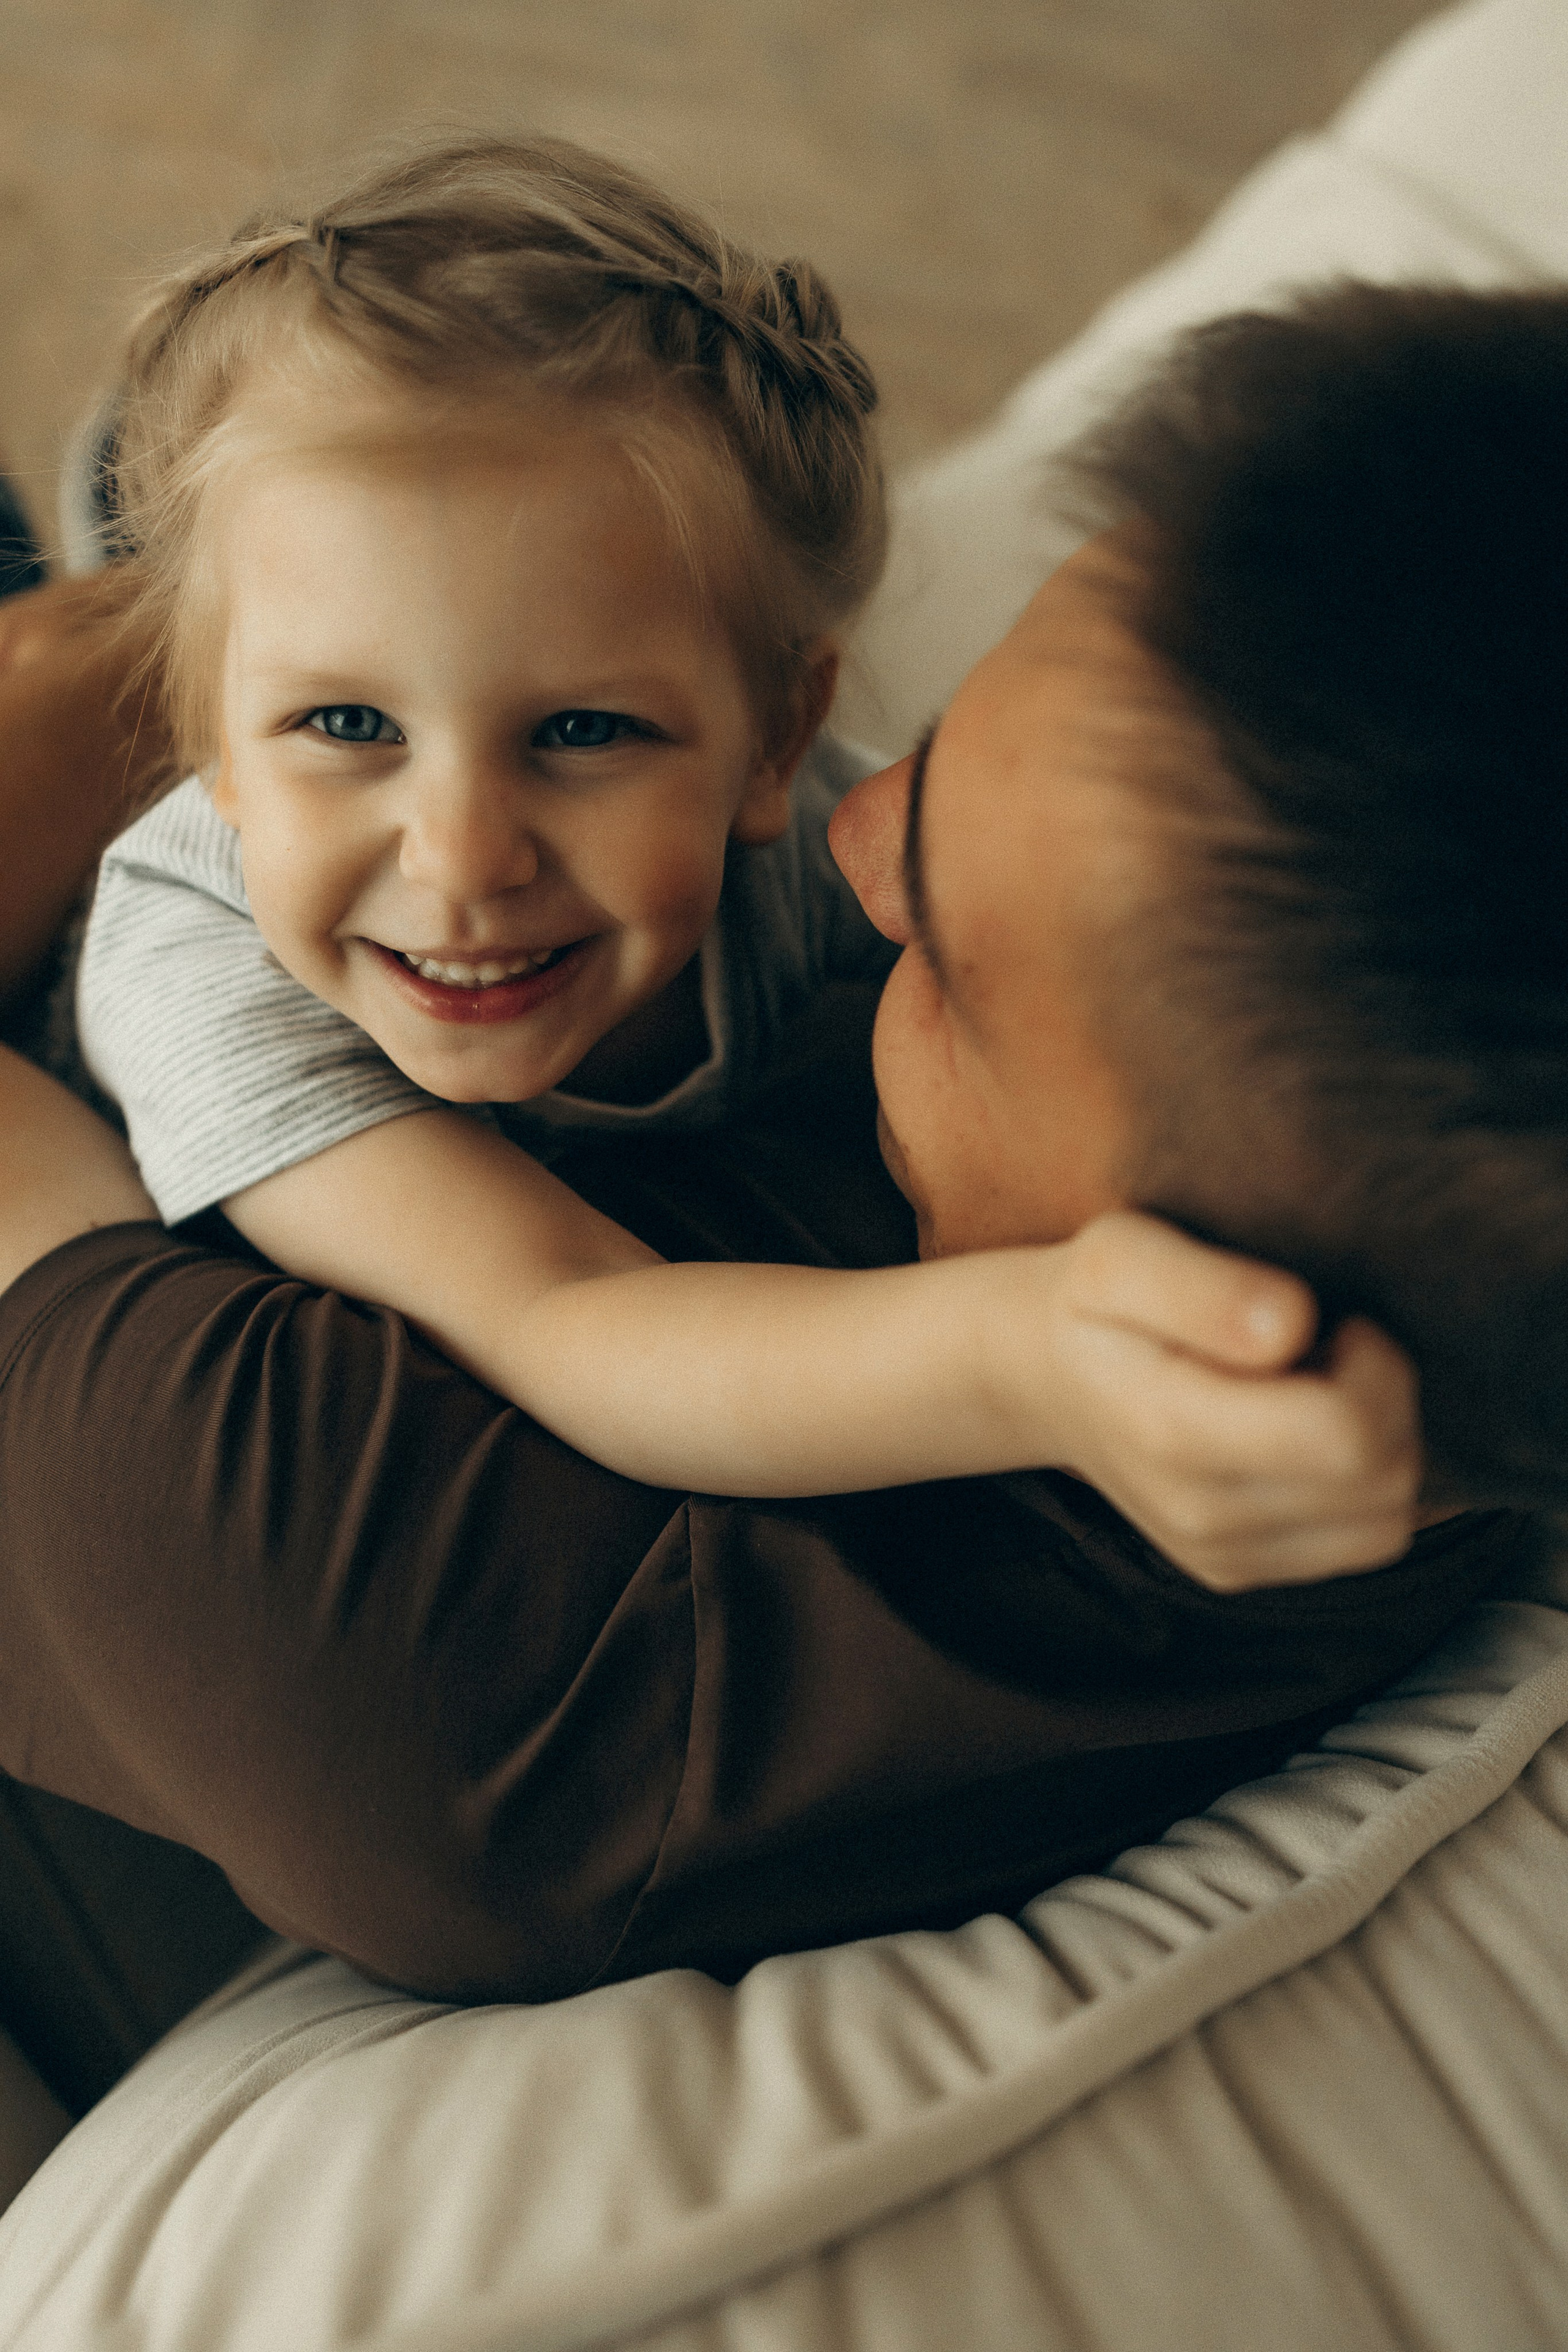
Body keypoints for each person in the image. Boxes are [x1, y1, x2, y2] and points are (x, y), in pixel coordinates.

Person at [0, 276, 1544, 2118]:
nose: (855, 840)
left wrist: (176, 647)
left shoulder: (411, 1646)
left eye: (949, 949)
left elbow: (571, 1316)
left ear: (1223, 1291)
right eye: (937, 756)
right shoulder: (1435, 1317)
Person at [64, 132, 1403, 1510]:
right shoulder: (199, 963)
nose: (461, 860)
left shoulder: (826, 840)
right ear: (212, 749)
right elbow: (565, 1314)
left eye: (580, 732)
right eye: (347, 727)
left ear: (774, 738)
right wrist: (1044, 1358)